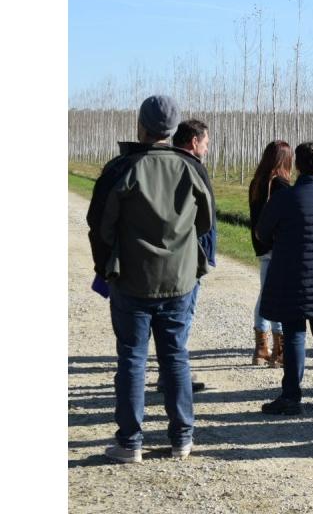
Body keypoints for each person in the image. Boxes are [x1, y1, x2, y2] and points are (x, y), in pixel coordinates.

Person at [87, 95, 213, 463]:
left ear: (141, 127)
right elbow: (205, 222)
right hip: (179, 280)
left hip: (131, 280)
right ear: (174, 130)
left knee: (132, 358)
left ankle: (130, 442)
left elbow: (100, 226)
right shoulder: (192, 168)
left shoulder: (122, 168)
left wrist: (105, 269)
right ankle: (182, 439)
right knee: (175, 356)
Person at [257, 142, 313, 414]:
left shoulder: (284, 198)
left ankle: (291, 397)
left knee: (294, 333)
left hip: (292, 273)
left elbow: (262, 232)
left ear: (297, 166)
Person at [164, 119, 215, 394]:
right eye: (205, 143)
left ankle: (171, 371)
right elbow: (202, 219)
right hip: (190, 257)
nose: (207, 149)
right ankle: (175, 375)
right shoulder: (192, 168)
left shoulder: (169, 164)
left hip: (180, 255)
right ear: (194, 141)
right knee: (181, 316)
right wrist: (205, 255)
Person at [248, 140, 292, 366]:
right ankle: (279, 350)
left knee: (265, 295)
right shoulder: (282, 185)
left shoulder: (257, 182)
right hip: (279, 248)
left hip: (263, 247)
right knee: (279, 298)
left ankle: (261, 347)